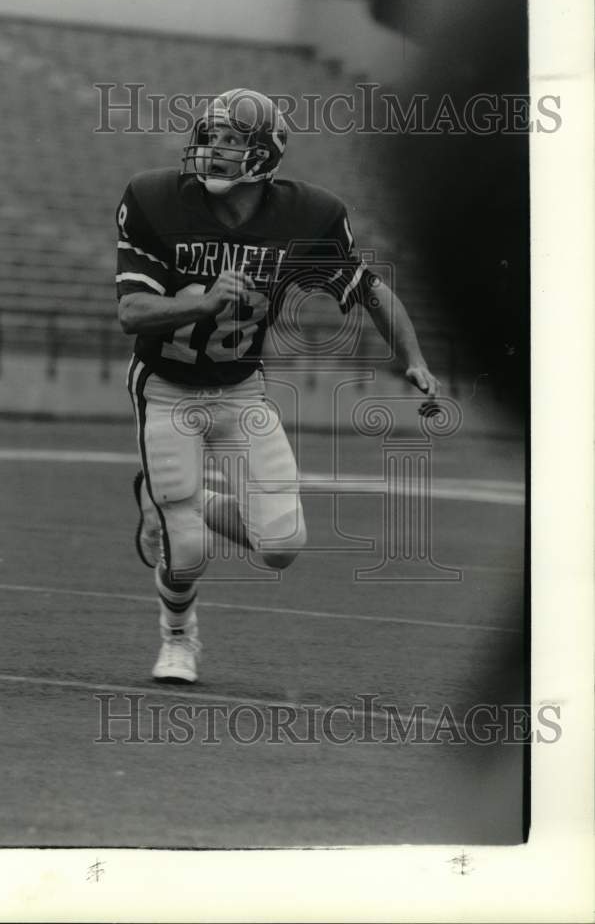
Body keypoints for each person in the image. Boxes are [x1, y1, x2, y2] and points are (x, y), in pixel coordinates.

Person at [115, 88, 439, 684]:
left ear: (264, 155)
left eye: (232, 141)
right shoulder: (155, 199)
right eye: (210, 137)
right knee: (186, 552)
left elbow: (367, 287)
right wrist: (208, 300)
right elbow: (132, 312)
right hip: (166, 385)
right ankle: (179, 638)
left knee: (282, 543)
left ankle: (168, 499)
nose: (214, 150)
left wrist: (411, 357)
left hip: (241, 390)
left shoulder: (306, 215)